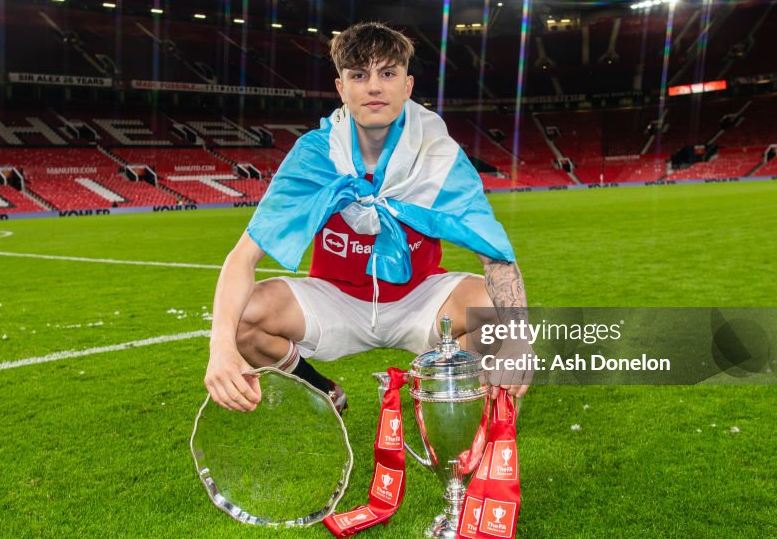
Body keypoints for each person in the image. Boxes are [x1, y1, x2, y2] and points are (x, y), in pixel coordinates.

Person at [204, 22, 532, 412]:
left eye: (387, 73)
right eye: (359, 75)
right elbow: (242, 257)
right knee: (244, 317)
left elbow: (496, 256)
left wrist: (518, 340)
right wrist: (220, 347)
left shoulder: (439, 156)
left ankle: (435, 378)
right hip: (336, 297)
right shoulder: (315, 155)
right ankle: (321, 390)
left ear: (407, 86)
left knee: (498, 313)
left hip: (419, 295)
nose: (374, 87)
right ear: (342, 88)